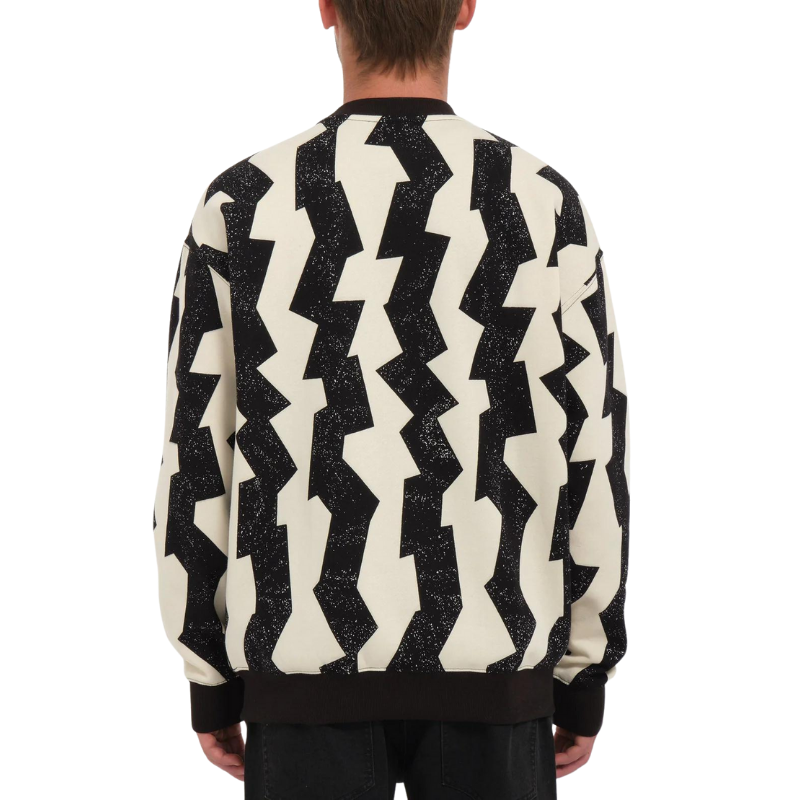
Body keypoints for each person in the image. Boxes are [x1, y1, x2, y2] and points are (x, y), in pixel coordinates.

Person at [152, 1, 631, 796]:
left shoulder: (243, 203)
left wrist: (209, 669)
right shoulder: (543, 204)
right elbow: (591, 447)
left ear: (327, 8)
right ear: (465, 10)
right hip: (497, 663)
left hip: (301, 666)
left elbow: (198, 451)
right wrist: (584, 668)